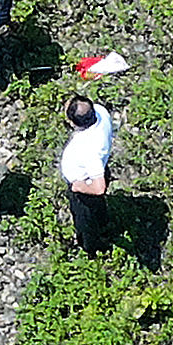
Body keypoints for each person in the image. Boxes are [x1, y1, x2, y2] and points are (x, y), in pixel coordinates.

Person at [57, 95, 115, 254]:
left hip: (86, 183)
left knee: (85, 221)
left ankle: (92, 249)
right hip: (101, 168)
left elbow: (99, 188)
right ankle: (103, 222)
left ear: (73, 123)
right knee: (98, 207)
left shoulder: (88, 148)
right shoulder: (101, 112)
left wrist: (78, 186)